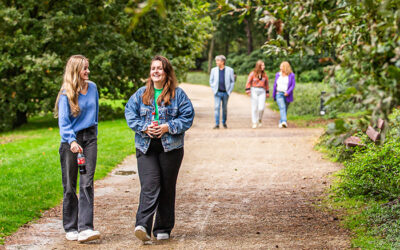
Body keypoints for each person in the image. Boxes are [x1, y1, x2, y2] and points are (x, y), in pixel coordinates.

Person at [125, 55, 194, 243]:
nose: (155, 71)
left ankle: (163, 227)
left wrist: (167, 127)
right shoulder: (141, 94)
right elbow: (129, 113)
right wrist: (144, 127)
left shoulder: (178, 95)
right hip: (146, 147)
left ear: (167, 73)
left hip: (170, 147)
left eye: (160, 68)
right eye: (153, 68)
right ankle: (142, 226)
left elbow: (187, 117)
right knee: (149, 184)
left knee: (166, 186)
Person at [54, 55, 101, 242]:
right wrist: (72, 141)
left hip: (89, 139)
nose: (88, 71)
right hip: (70, 141)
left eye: (88, 68)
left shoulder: (93, 88)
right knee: (70, 185)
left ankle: (86, 227)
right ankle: (71, 226)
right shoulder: (66, 93)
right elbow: (64, 122)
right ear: (75, 70)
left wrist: (92, 137)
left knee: (87, 182)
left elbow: (95, 114)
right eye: (84, 68)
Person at [209, 55, 235, 129]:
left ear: (223, 62)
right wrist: (214, 90)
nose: (216, 62)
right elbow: (211, 80)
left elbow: (232, 81)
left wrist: (229, 91)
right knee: (216, 108)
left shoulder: (230, 70)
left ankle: (224, 122)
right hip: (217, 92)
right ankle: (217, 124)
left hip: (225, 92)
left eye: (218, 60)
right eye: (216, 60)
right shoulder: (213, 70)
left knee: (224, 109)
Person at [245, 60, 269, 128]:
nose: (264, 67)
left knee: (261, 108)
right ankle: (254, 122)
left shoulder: (265, 75)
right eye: (262, 65)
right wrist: (248, 90)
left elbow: (267, 84)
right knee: (254, 107)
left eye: (264, 65)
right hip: (254, 90)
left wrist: (267, 92)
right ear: (258, 66)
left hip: (262, 91)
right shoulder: (253, 73)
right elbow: (248, 82)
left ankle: (260, 119)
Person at [273, 61, 296, 128]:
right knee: (282, 107)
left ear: (285, 67)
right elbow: (275, 85)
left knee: (284, 109)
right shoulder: (278, 74)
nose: (280, 67)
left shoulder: (291, 75)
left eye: (282, 66)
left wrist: (288, 92)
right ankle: (284, 122)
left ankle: (281, 122)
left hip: (287, 94)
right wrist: (274, 94)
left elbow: (292, 85)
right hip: (279, 93)